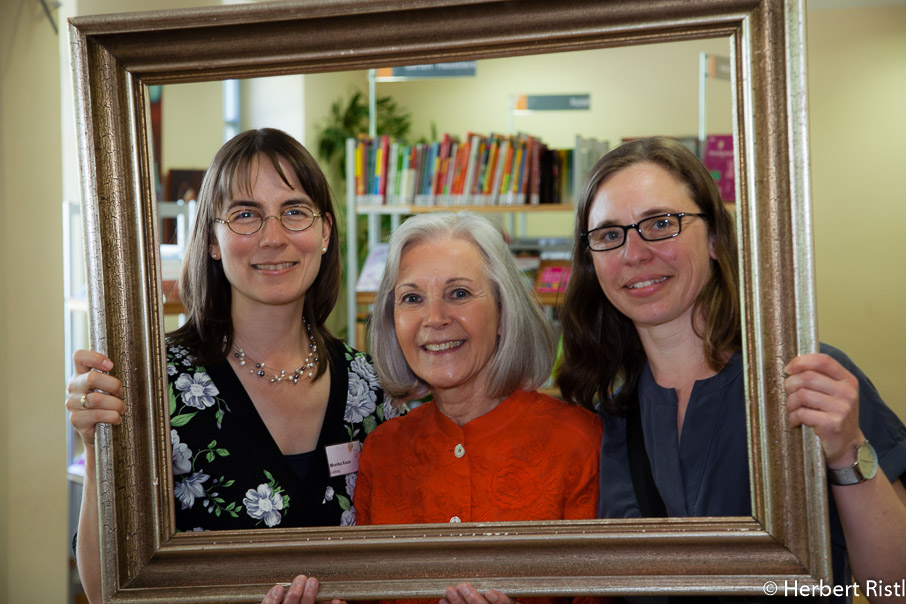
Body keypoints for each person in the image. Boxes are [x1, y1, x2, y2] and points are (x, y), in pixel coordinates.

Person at [554, 136, 906, 601]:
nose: (633, 254)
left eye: (660, 223)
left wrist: (847, 452)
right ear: (591, 262)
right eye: (608, 234)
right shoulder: (604, 414)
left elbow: (894, 587)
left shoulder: (807, 381)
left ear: (716, 240)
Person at [66, 128, 398, 604]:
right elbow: (106, 592)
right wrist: (97, 442)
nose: (273, 237)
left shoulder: (373, 386)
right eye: (246, 215)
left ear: (325, 232)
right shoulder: (152, 384)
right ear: (212, 241)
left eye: (294, 212)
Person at [263, 211, 603, 604]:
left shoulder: (580, 441)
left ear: (502, 311)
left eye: (459, 293)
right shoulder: (383, 451)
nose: (434, 318)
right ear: (392, 321)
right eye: (412, 298)